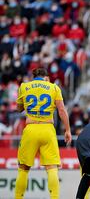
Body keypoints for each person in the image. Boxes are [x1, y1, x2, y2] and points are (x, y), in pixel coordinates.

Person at [15, 67, 72, 199]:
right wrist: (67, 130)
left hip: (31, 129)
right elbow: (62, 110)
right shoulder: (54, 88)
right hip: (48, 129)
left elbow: (18, 109)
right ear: (46, 77)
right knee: (52, 168)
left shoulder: (24, 86)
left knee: (23, 168)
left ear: (33, 76)